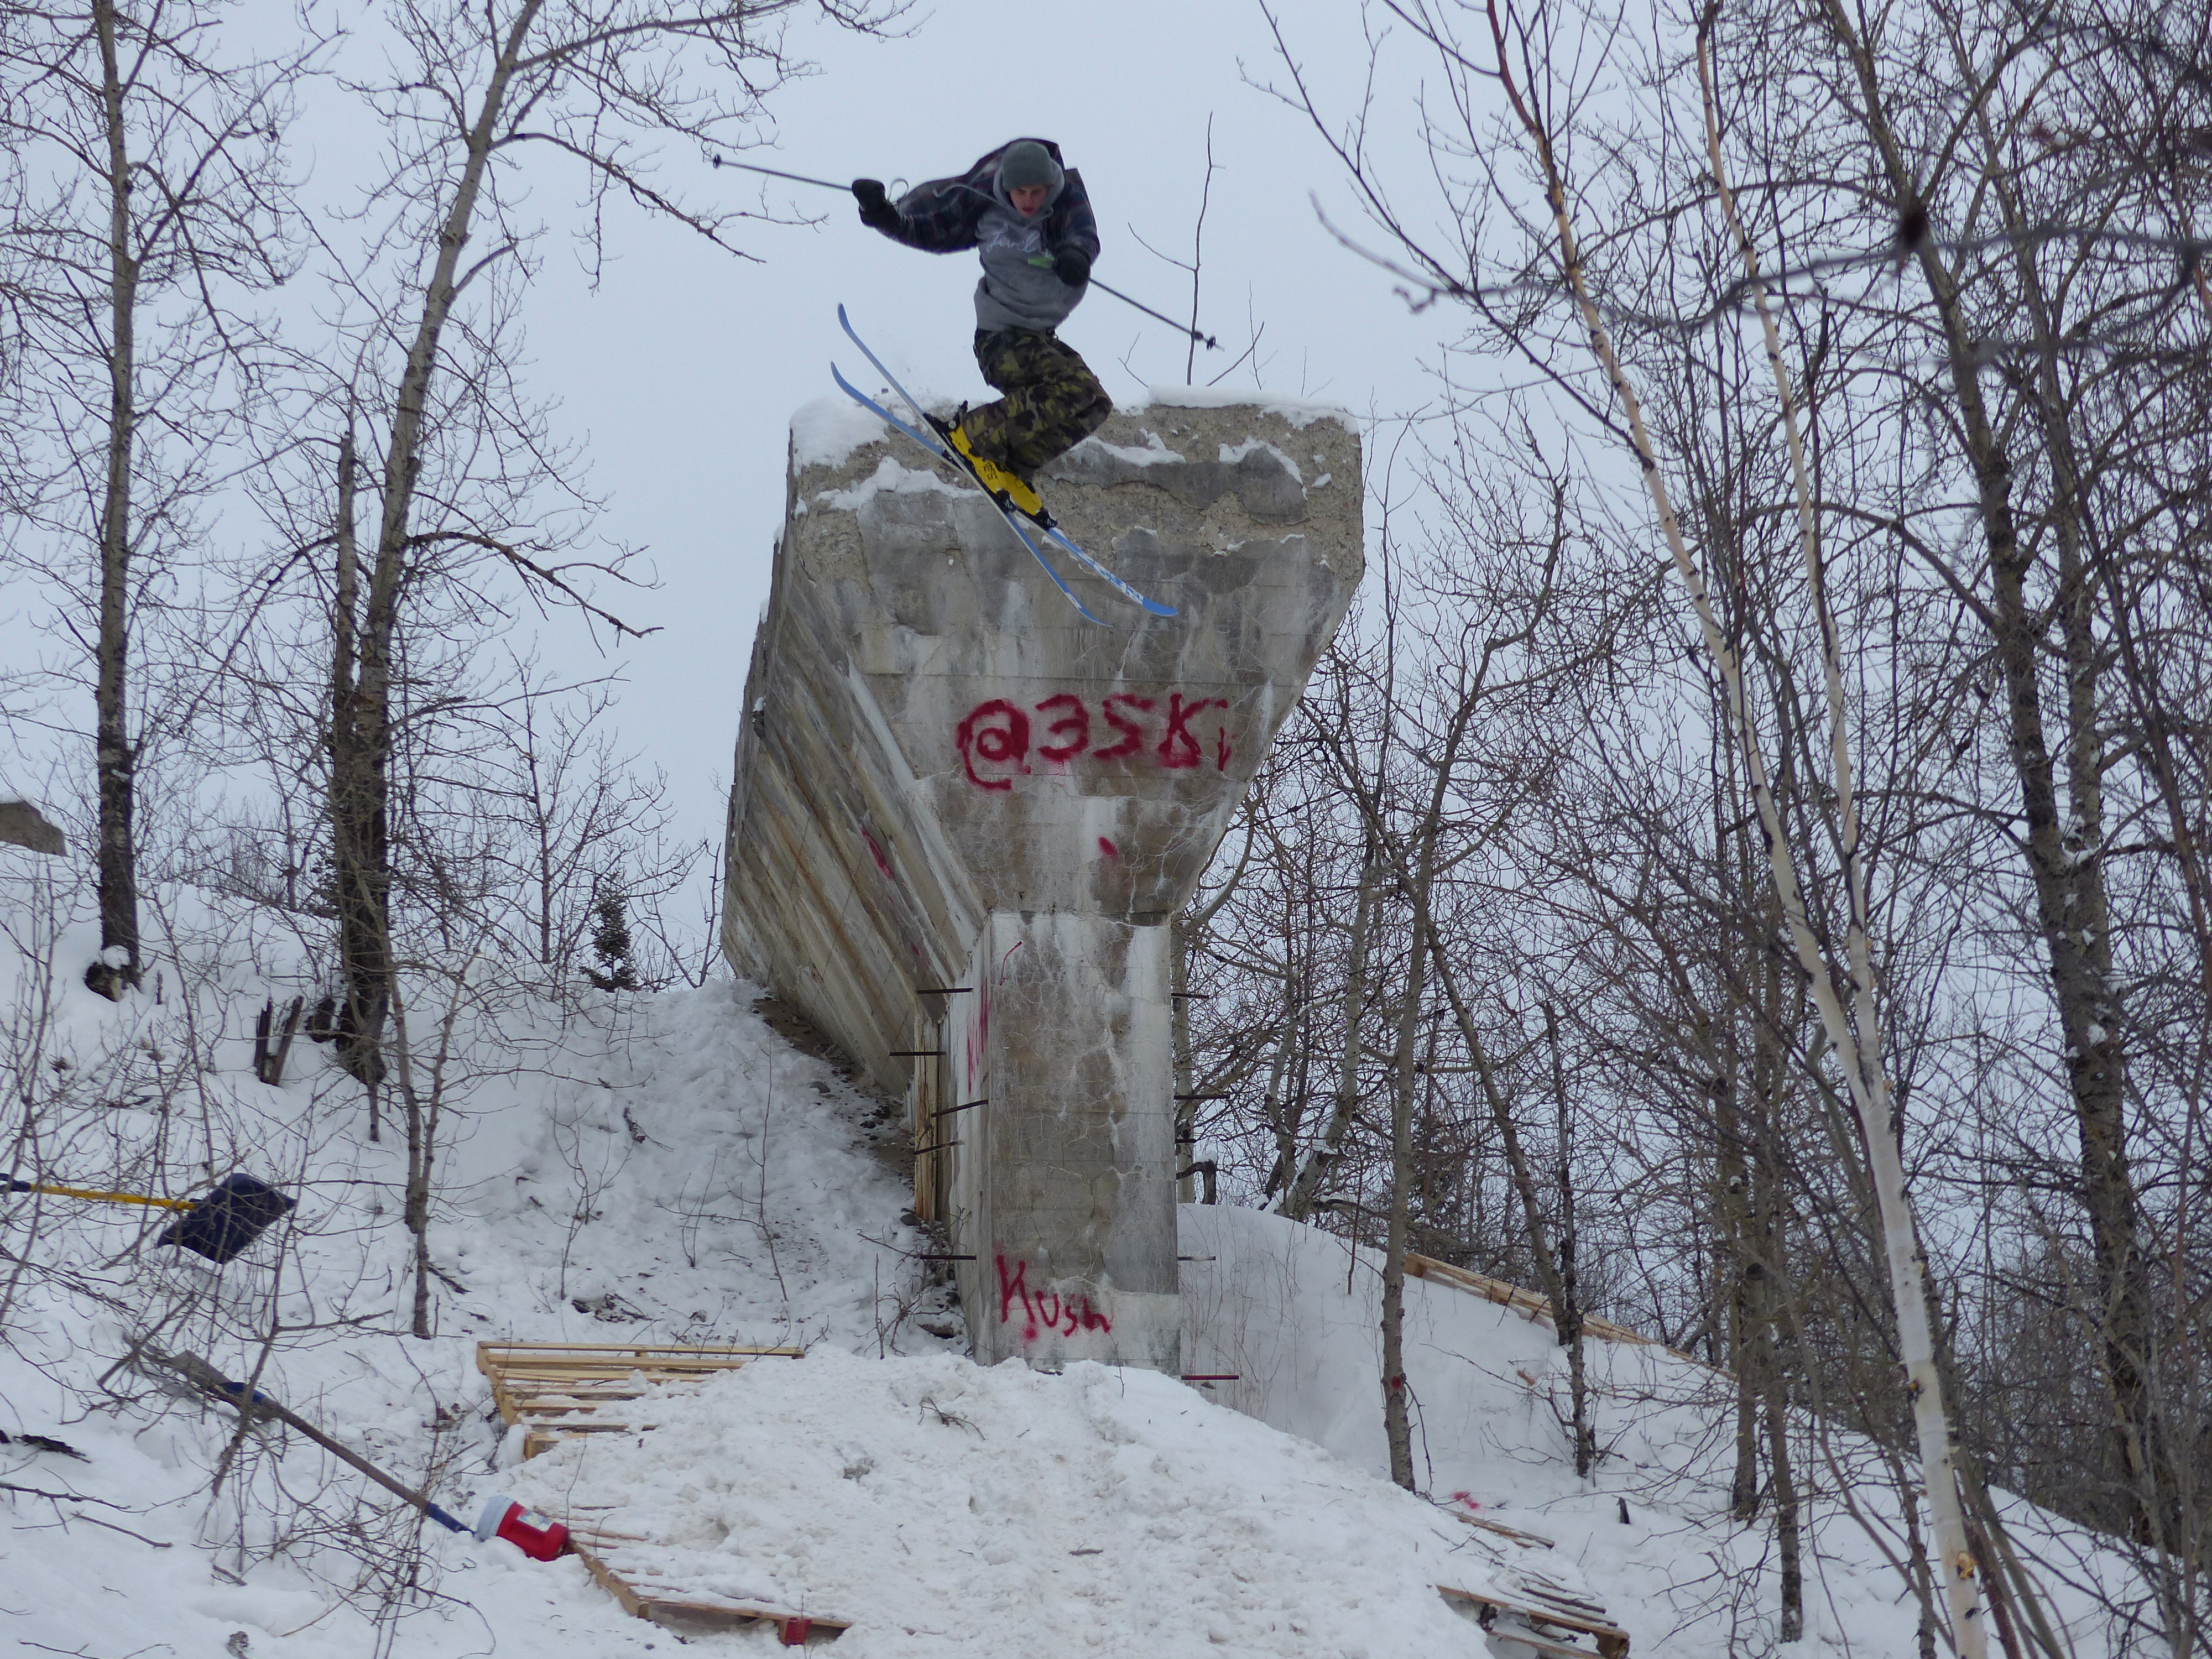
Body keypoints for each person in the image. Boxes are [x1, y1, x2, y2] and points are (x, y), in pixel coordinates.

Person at [852, 138, 1108, 511]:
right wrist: (882, 215)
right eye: (1021, 191)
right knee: (1075, 387)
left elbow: (1083, 233)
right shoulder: (983, 201)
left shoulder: (1066, 196)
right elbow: (930, 229)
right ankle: (970, 434)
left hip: (1040, 337)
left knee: (1096, 403)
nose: (1030, 200)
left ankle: (1013, 466)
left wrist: (1077, 254)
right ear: (1006, 185)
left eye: (1038, 192)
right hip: (1000, 338)